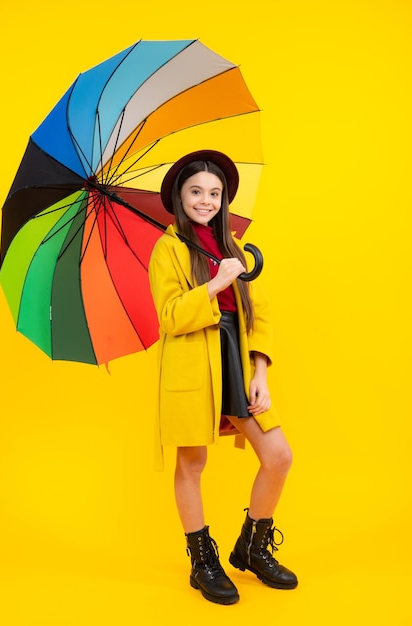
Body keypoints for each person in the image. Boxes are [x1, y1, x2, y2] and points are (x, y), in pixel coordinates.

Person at [148, 150, 297, 605]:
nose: (206, 200)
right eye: (196, 191)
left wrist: (261, 373)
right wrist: (213, 285)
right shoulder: (168, 248)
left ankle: (251, 548)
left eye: (215, 193)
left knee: (278, 455)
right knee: (192, 464)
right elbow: (171, 317)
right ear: (179, 196)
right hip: (193, 361)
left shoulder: (233, 244)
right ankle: (202, 560)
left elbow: (262, 314)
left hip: (236, 357)